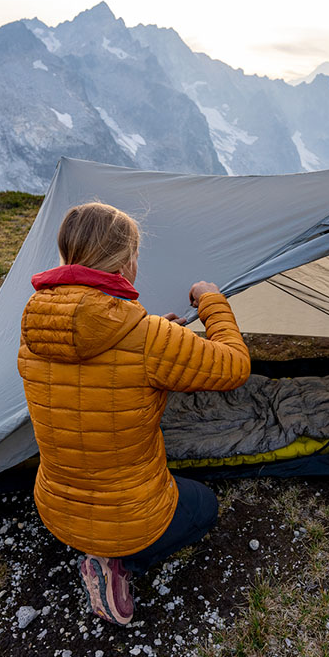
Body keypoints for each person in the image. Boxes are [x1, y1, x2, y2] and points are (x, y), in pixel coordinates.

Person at [17, 202, 250, 625]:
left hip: (55, 508)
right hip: (127, 522)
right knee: (205, 507)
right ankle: (116, 564)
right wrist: (210, 299)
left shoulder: (36, 322)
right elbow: (234, 365)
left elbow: (96, 362)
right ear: (127, 261)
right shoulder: (146, 339)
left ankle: (97, 550)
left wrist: (159, 332)